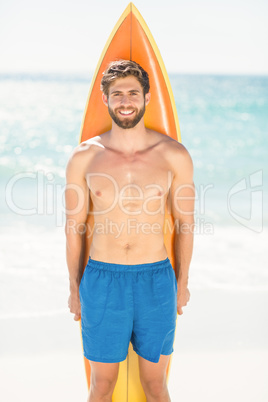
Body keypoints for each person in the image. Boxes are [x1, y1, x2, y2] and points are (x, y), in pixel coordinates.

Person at [65, 60, 195, 402]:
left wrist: (182, 283)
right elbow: (74, 227)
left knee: (156, 386)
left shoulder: (173, 155)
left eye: (133, 93)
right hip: (101, 280)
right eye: (118, 93)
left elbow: (185, 224)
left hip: (156, 280)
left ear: (147, 98)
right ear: (105, 99)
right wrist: (73, 287)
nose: (126, 101)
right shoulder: (84, 157)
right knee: (101, 386)